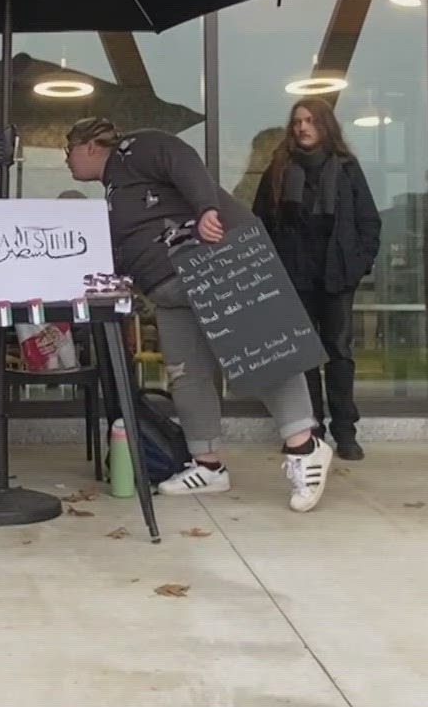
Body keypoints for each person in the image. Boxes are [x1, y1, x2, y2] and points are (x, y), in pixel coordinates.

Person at [63, 116, 336, 512]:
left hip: (210, 260)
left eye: (66, 150)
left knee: (261, 353)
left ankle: (306, 447)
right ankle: (207, 464)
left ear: (88, 146)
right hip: (168, 289)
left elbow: (181, 159)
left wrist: (207, 207)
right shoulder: (114, 189)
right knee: (185, 373)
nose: (65, 160)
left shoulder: (137, 146)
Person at [252, 97, 382, 461]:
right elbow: (259, 221)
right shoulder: (278, 168)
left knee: (339, 352)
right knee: (303, 356)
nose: (302, 128)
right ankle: (310, 430)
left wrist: (358, 265)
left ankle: (345, 431)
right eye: (297, 121)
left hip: (337, 276)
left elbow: (369, 222)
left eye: (309, 121)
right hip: (295, 276)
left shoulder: (346, 167)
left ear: (325, 125)